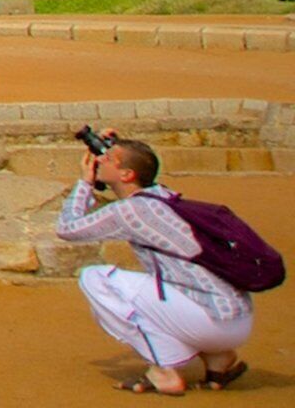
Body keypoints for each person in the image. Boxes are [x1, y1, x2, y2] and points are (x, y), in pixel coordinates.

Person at [61, 137, 253, 393]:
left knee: (95, 279)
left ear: (127, 174)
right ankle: (218, 359)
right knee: (162, 287)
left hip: (210, 321)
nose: (99, 159)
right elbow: (139, 160)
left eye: (107, 158)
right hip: (237, 318)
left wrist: (85, 182)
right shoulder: (164, 194)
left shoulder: (129, 211)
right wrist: (118, 147)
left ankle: (164, 371)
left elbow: (67, 228)